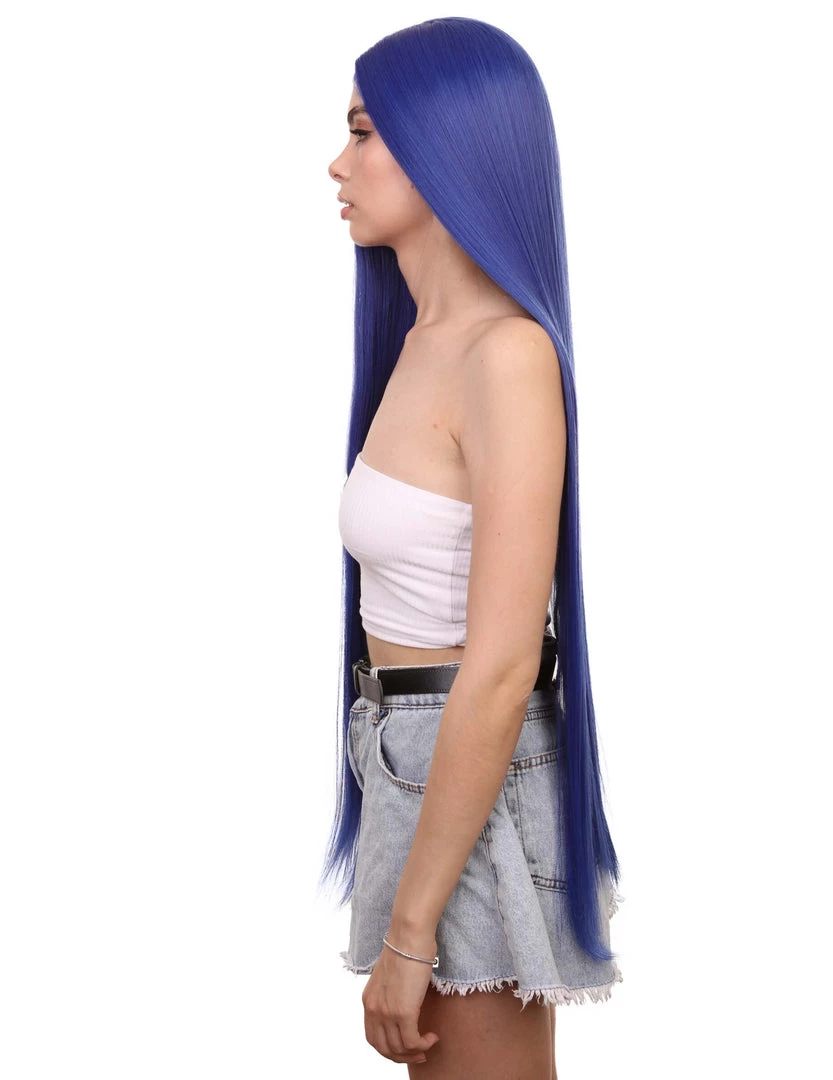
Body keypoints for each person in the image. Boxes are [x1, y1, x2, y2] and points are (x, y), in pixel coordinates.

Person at [321, 17, 623, 1077]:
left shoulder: (506, 356)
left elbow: (498, 669)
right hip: (405, 754)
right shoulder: (417, 343)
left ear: (445, 144)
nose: (337, 164)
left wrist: (412, 937)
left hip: (471, 768)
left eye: (364, 132)